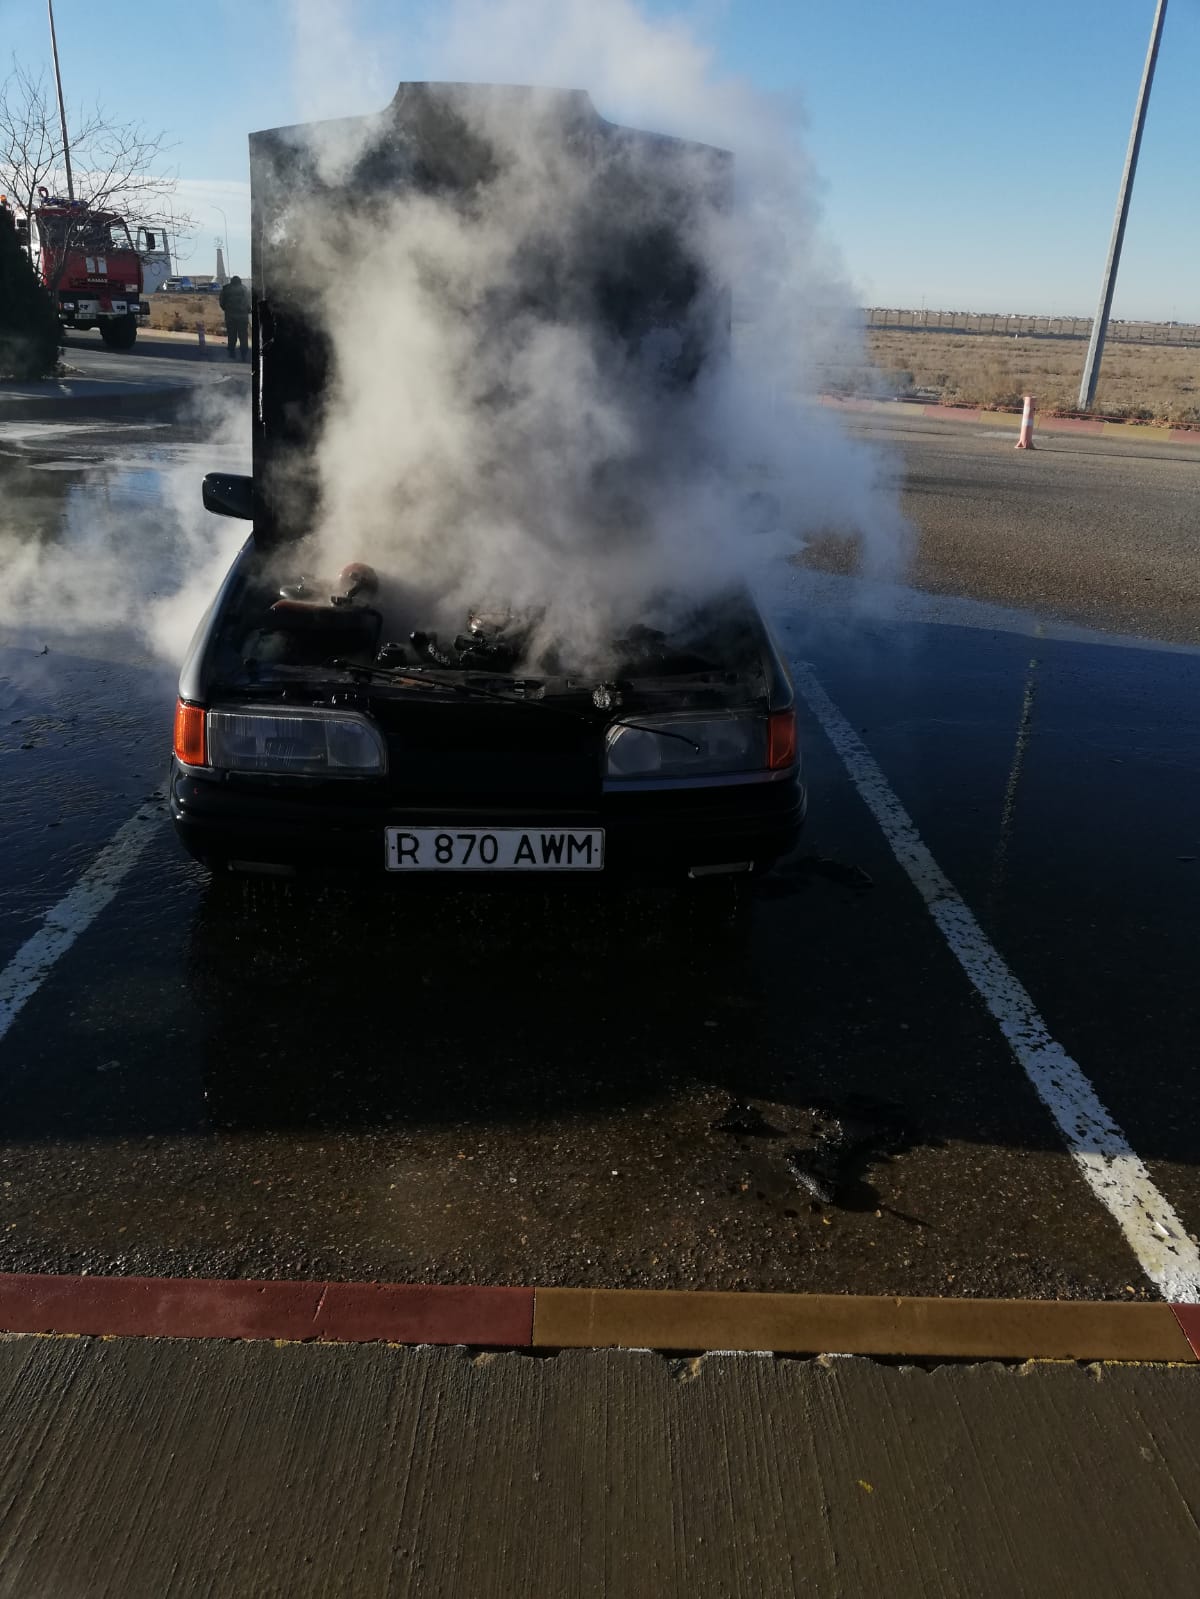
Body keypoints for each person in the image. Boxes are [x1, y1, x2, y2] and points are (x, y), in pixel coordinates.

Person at [219, 275, 251, 361]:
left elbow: (221, 302)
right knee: (243, 336)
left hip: (230, 316)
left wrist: (226, 309)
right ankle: (244, 354)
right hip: (243, 317)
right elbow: (249, 303)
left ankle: (232, 352)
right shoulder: (244, 289)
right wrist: (247, 310)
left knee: (231, 335)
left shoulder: (226, 289)